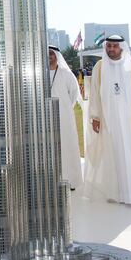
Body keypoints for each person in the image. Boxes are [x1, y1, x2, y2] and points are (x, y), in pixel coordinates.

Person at [84, 35, 131, 204]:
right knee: (111, 153)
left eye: (115, 46)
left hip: (129, 120)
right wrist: (95, 116)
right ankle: (115, 192)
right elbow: (94, 93)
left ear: (121, 47)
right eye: (108, 46)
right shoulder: (99, 67)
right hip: (108, 120)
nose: (111, 49)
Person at [48, 46, 83, 190]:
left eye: (51, 53)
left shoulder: (66, 74)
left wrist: (65, 108)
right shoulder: (38, 74)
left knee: (66, 146)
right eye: (46, 54)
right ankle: (51, 181)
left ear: (57, 55)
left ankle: (69, 180)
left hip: (64, 117)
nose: (49, 56)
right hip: (45, 117)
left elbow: (75, 95)